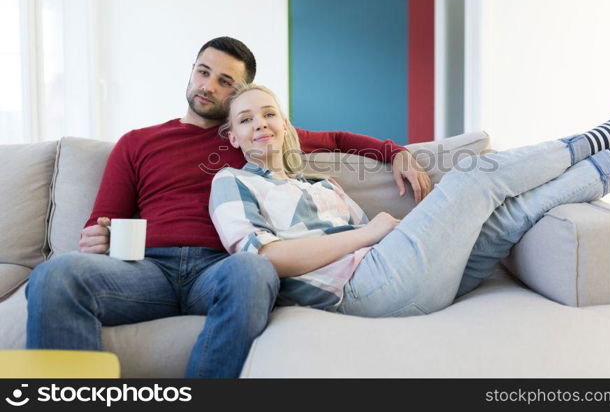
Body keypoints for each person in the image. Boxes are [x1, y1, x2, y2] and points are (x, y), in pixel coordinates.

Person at [24, 36, 432, 378]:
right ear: (192, 70)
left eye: (224, 81)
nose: (208, 86)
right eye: (203, 72)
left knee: (254, 267)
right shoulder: (138, 142)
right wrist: (98, 236)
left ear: (237, 93)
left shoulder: (250, 132)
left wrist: (395, 152)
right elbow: (102, 221)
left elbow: (338, 138)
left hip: (222, 269)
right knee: (54, 274)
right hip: (146, 271)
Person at [210, 71, 610, 317]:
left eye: (268, 114)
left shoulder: (323, 184)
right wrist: (369, 234)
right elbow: (265, 258)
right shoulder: (232, 183)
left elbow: (377, 221)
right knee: (471, 177)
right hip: (360, 293)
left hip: (408, 273)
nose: (260, 125)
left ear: (286, 124)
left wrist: (413, 225)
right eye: (246, 119)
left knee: (512, 216)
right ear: (231, 137)